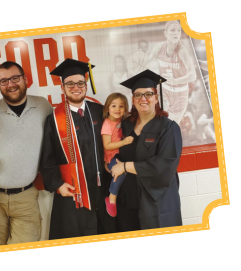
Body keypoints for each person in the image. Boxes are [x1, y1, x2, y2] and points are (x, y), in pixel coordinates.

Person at [0, 61, 53, 247]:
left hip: (26, 198)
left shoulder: (43, 106)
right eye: (3, 81)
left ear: (25, 79)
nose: (10, 84)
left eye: (15, 78)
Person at [40, 58, 116, 239]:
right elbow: (47, 156)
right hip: (72, 192)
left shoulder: (101, 111)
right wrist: (58, 184)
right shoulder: (54, 119)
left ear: (86, 84)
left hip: (102, 188)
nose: (76, 87)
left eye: (80, 82)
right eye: (70, 83)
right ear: (62, 87)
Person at [111, 69, 183, 231]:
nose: (143, 99)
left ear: (156, 98)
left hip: (156, 202)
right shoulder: (125, 125)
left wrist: (124, 166)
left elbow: (164, 165)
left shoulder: (168, 128)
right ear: (133, 100)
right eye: (138, 95)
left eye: (148, 94)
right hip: (128, 201)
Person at [148, 20, 196, 125]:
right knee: (157, 121)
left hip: (179, 93)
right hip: (164, 89)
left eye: (178, 30)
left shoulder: (182, 51)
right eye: (173, 30)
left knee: (172, 127)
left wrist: (175, 81)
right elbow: (148, 64)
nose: (176, 33)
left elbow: (193, 75)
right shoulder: (159, 47)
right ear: (165, 33)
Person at [101, 93, 133, 217]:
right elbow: (107, 145)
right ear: (107, 108)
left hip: (120, 154)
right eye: (113, 106)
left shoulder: (122, 121)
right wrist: (123, 142)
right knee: (121, 171)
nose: (117, 109)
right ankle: (111, 198)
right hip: (111, 155)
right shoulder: (107, 124)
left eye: (121, 106)